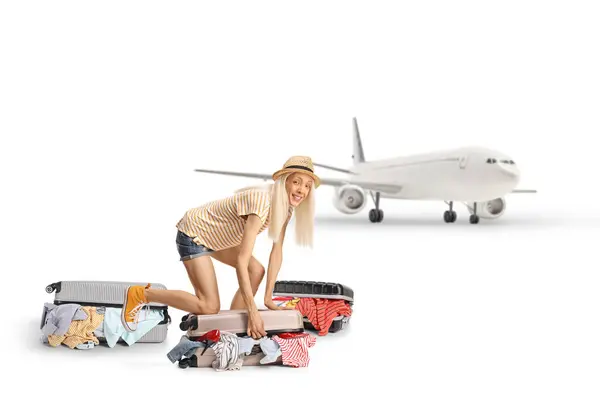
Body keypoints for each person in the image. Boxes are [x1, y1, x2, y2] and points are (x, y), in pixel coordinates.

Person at [120, 156, 320, 339]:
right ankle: (140, 294)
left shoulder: (286, 210)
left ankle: (231, 329)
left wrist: (268, 299)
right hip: (195, 233)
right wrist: (253, 312)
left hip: (218, 239)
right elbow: (242, 260)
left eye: (308, 186)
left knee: (256, 270)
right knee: (209, 306)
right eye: (296, 182)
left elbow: (277, 252)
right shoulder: (262, 202)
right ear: (284, 181)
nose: (302, 190)